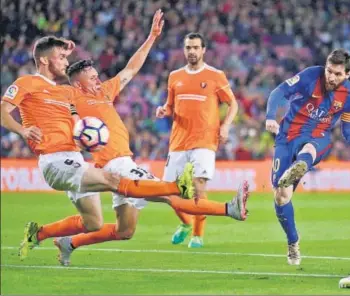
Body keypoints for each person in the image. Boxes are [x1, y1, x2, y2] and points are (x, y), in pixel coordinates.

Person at [51, 31, 249, 265]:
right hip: (116, 163)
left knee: (125, 231)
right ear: (76, 82)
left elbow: (131, 69)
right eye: (91, 77)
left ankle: (69, 243)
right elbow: (47, 91)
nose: (97, 79)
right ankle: (229, 209)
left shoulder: (104, 91)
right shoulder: (70, 96)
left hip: (121, 164)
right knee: (170, 194)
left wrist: (152, 37)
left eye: (96, 75)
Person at [0, 27, 196, 260]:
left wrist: (151, 37)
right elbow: (3, 110)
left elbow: (124, 72)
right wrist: (22, 130)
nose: (66, 61)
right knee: (114, 180)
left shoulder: (67, 93)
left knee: (93, 223)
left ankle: (38, 234)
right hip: (54, 161)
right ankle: (175, 187)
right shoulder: (27, 83)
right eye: (61, 57)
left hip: (75, 160)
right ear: (44, 59)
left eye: (66, 57)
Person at [265, 49, 350, 265]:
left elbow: (348, 131)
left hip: (317, 137)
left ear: (348, 75)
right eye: (329, 71)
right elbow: (278, 92)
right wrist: (269, 117)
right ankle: (293, 242)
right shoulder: (310, 76)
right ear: (325, 67)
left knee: (309, 150)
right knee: (281, 196)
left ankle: (301, 165)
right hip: (287, 136)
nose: (331, 77)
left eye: (337, 74)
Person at [156, 32, 238, 248]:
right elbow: (170, 106)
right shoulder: (174, 76)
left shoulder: (215, 75)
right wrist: (164, 110)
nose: (191, 51)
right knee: (169, 191)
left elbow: (233, 104)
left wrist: (226, 125)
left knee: (198, 186)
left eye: (195, 47)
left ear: (203, 50)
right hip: (178, 141)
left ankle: (197, 235)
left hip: (204, 140)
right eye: (188, 47)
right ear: (184, 50)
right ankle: (185, 223)